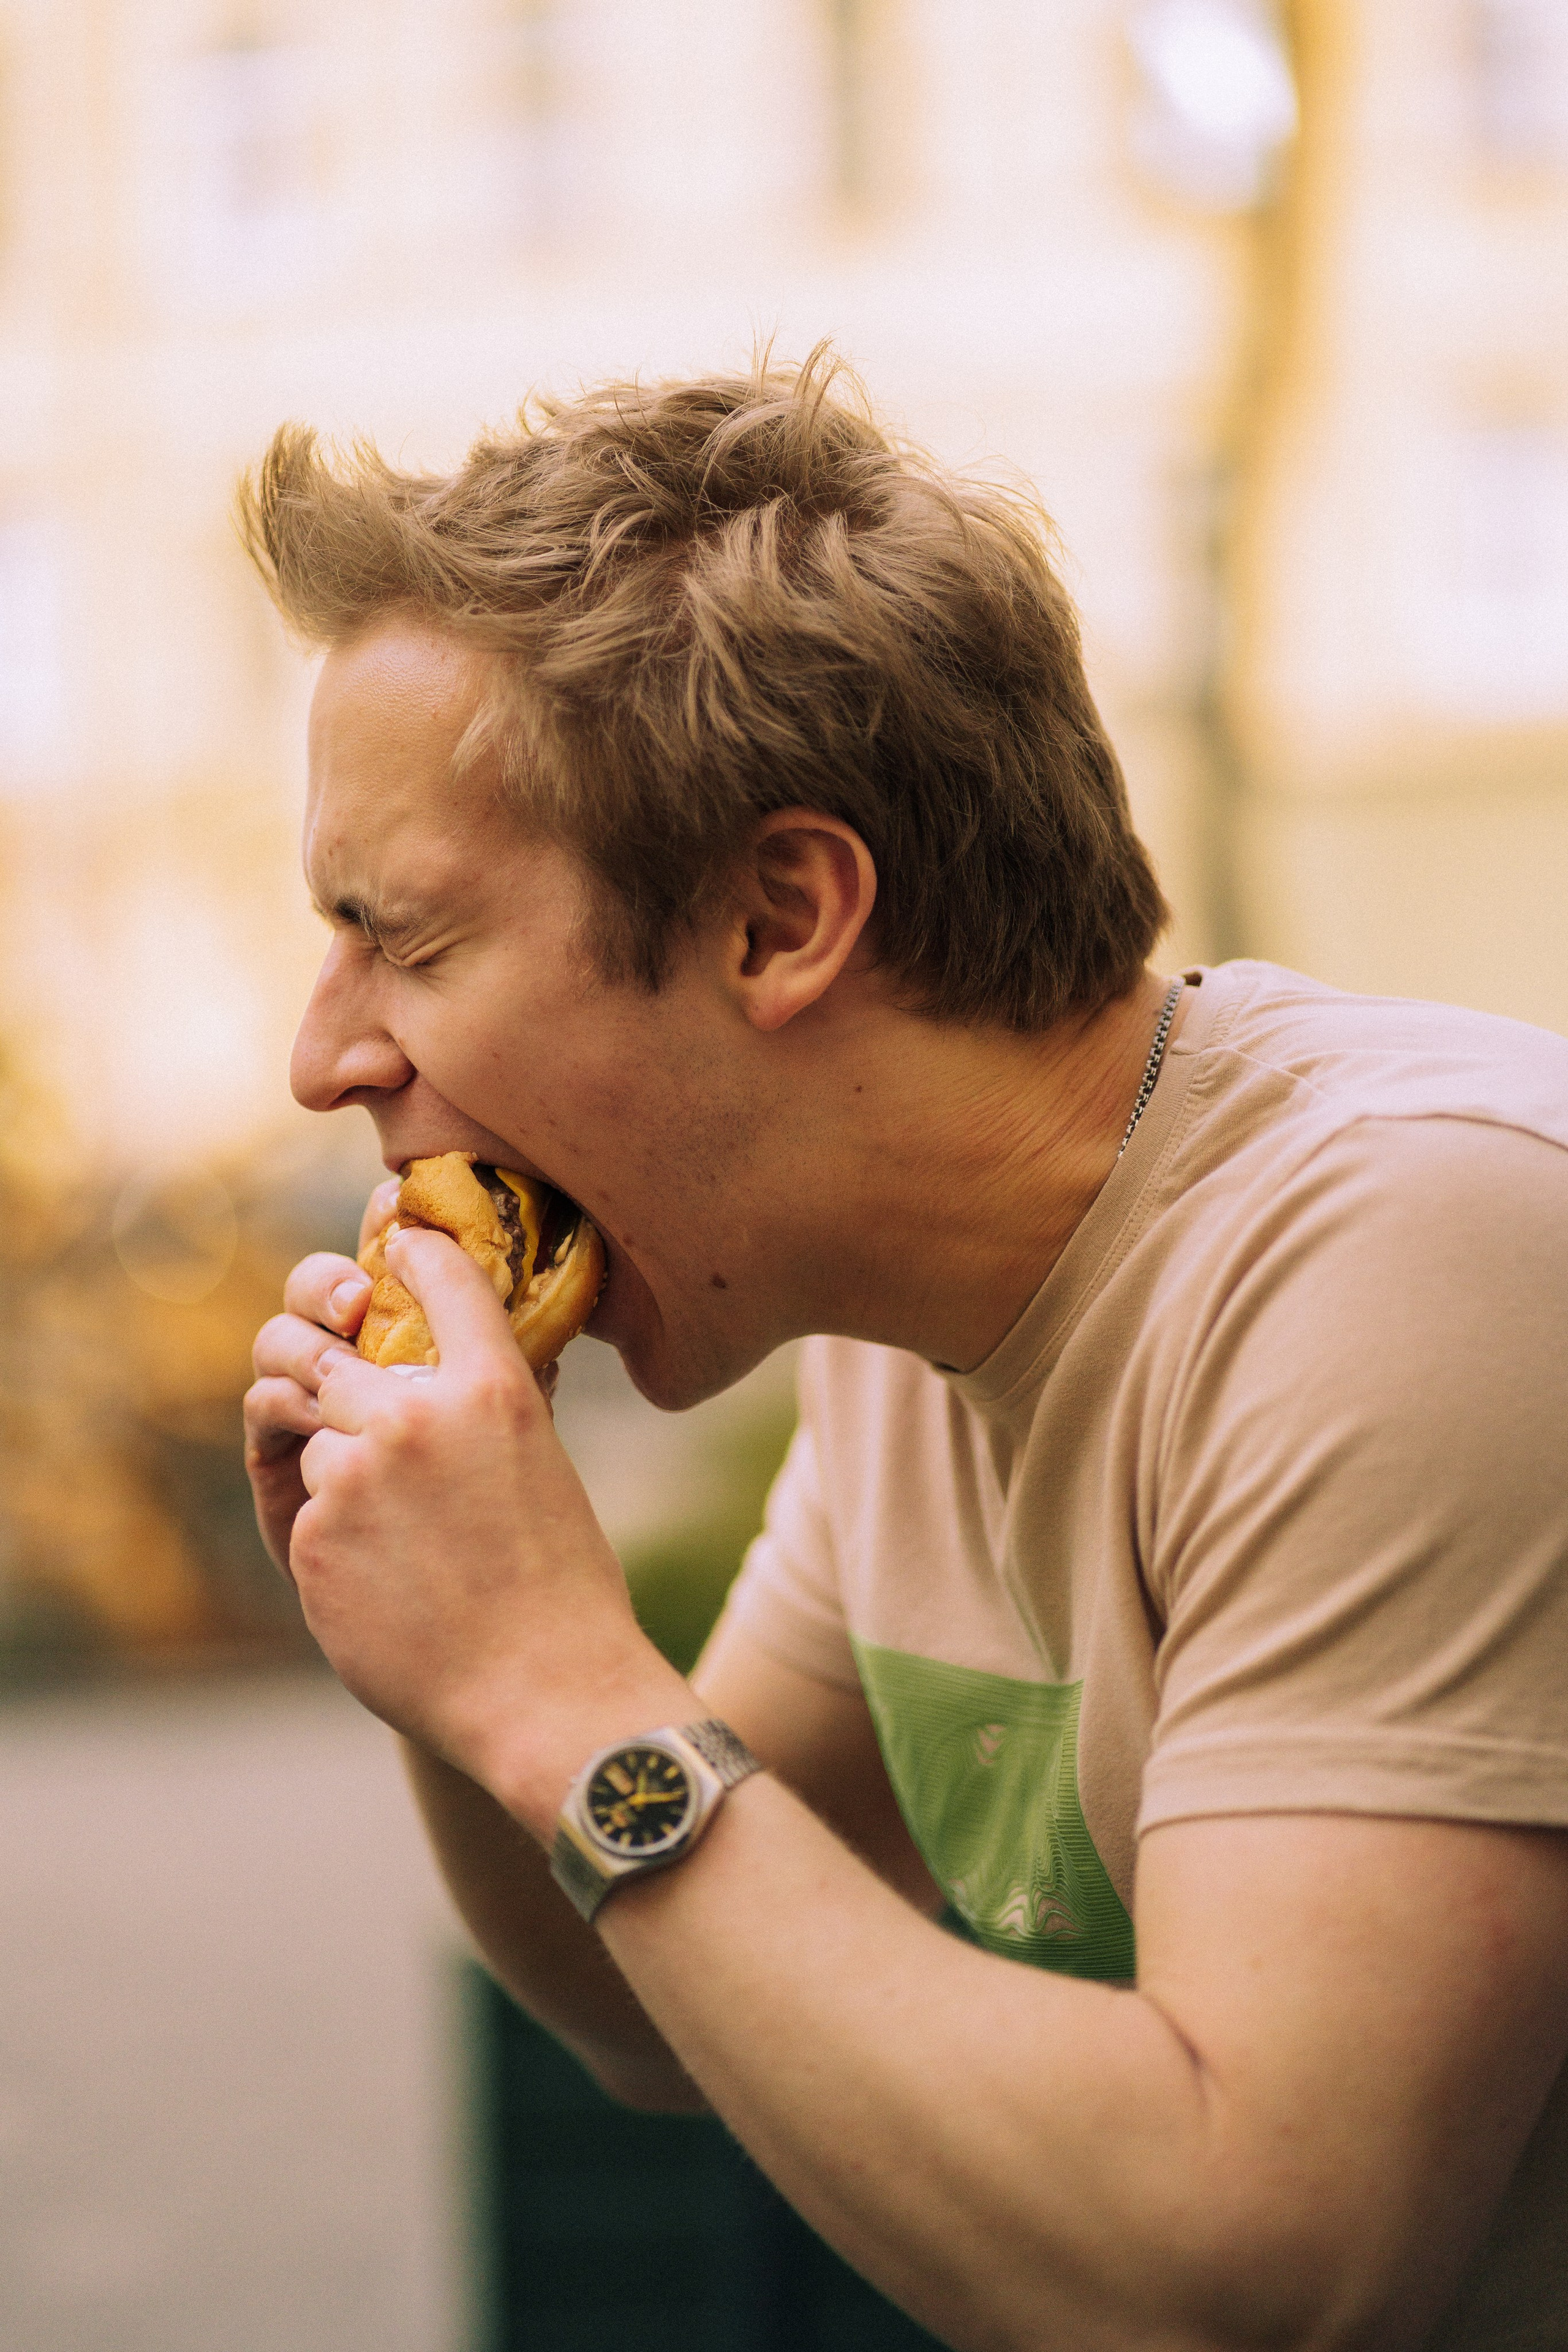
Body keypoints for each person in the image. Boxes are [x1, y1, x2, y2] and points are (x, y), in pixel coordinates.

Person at [240, 355, 1568, 2352]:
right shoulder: (896, 1325)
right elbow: (653, 2007)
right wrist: (444, 1663)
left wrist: (551, 1680)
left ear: (782, 917)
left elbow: (1266, 2275)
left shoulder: (1410, 1251)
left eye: (405, 940)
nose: (324, 1054)